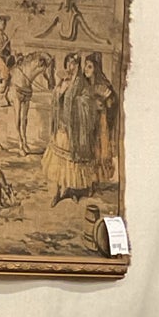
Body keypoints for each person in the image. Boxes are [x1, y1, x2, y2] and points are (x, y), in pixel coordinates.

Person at [41, 52, 92, 205]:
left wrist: (78, 102)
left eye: (74, 64)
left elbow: (88, 101)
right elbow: (55, 98)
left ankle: (71, 190)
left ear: (78, 66)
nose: (72, 67)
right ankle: (57, 192)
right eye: (69, 63)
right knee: (58, 161)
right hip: (62, 126)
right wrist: (60, 90)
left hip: (74, 129)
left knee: (71, 162)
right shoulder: (64, 81)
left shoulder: (82, 83)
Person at [82, 51, 118, 186]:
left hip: (100, 123)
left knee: (97, 151)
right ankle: (86, 181)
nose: (86, 68)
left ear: (96, 69)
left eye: (90, 66)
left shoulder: (104, 85)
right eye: (85, 65)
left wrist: (104, 103)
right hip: (86, 122)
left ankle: (94, 181)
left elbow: (112, 104)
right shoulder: (83, 85)